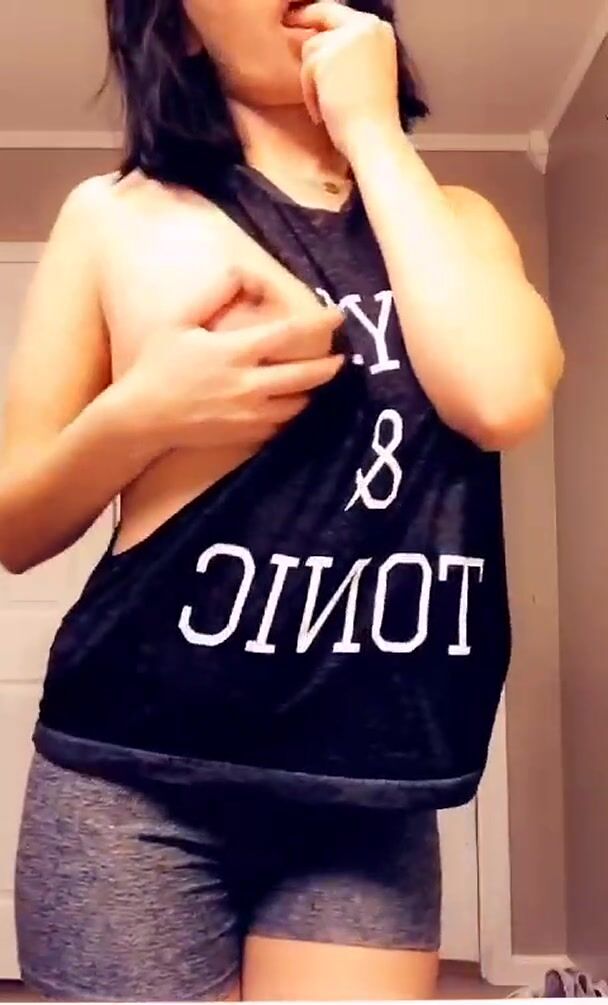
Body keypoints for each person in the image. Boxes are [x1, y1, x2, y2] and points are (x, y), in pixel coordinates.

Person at [1, 0, 564, 1000]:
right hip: (135, 770)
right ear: (179, 27)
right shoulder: (114, 216)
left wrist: (371, 129)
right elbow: (14, 526)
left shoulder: (459, 219)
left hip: (368, 780)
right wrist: (143, 412)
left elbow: (499, 397)